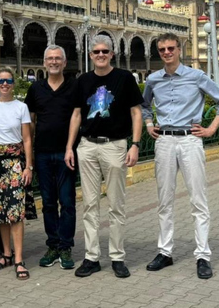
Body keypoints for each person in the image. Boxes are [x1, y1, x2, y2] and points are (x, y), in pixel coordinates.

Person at [141, 32, 219, 280]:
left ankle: (203, 255)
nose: (167, 53)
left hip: (190, 139)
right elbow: (144, 104)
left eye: (171, 48)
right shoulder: (153, 79)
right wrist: (149, 124)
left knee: (198, 199)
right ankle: (165, 252)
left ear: (179, 50)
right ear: (158, 52)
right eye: (162, 50)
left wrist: (212, 128)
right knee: (164, 199)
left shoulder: (196, 76)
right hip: (165, 141)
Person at [64, 35, 143, 279]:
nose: (100, 55)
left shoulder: (124, 78)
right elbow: (77, 115)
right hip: (87, 146)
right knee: (89, 204)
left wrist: (136, 145)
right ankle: (92, 257)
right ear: (90, 55)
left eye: (104, 51)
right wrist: (70, 147)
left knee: (116, 204)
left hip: (114, 146)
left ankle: (117, 257)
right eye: (96, 51)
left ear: (111, 54)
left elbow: (136, 113)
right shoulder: (83, 80)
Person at [25, 45, 77, 270]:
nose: (54, 62)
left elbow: (77, 116)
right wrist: (30, 155)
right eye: (50, 59)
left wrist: (69, 147)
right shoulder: (36, 88)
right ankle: (53, 244)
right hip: (43, 153)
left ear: (65, 63)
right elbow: (30, 122)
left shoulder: (74, 86)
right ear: (44, 63)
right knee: (47, 203)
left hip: (66, 154)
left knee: (67, 202)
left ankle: (65, 246)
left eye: (58, 58)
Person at [0, 68, 33, 280]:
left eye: (8, 81)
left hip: (14, 163)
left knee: (16, 212)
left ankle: (19, 259)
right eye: (1, 81)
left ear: (13, 83)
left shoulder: (21, 107)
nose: (4, 84)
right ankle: (6, 254)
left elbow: (27, 139)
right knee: (0, 211)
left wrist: (29, 166)